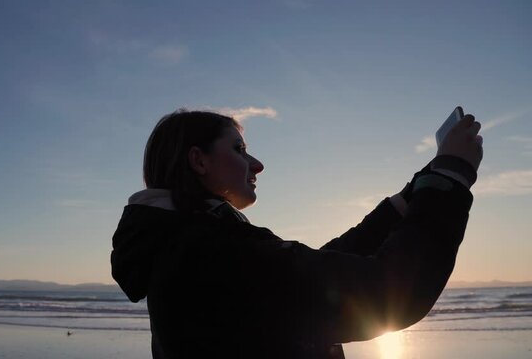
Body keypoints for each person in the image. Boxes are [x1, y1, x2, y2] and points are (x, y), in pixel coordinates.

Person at [111, 109, 483, 358]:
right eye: (239, 149)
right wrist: (450, 178)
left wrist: (409, 199)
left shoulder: (187, 243)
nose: (257, 164)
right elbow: (386, 295)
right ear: (199, 160)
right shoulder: (208, 253)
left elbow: (312, 271)